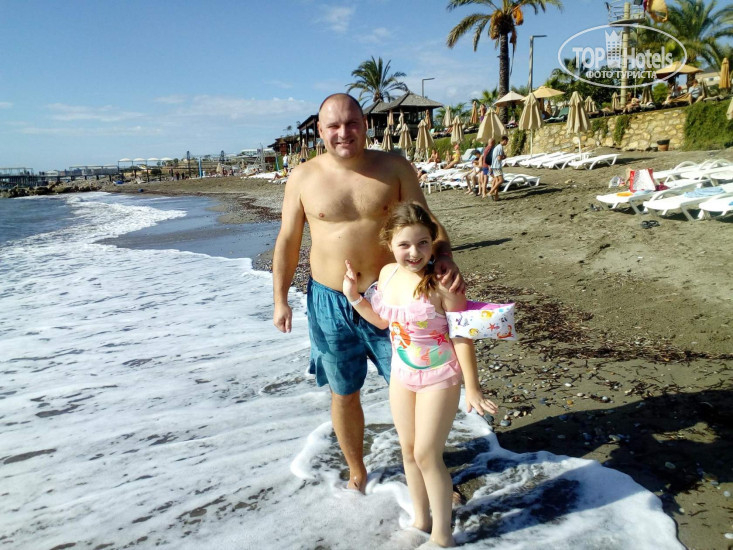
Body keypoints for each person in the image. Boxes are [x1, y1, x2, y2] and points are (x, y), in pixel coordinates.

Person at [272, 93, 464, 493]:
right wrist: (280, 299)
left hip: (393, 297)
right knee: (344, 392)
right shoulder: (303, 177)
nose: (344, 132)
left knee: (418, 386)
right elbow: (288, 240)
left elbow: (427, 222)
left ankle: (430, 472)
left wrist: (444, 256)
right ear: (320, 131)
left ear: (365, 124)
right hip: (330, 301)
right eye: (334, 126)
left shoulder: (393, 167)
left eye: (352, 123)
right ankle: (357, 470)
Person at [343, 202, 498, 548]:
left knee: (428, 454)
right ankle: (421, 519)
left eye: (423, 243)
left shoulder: (444, 283)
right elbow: (383, 321)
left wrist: (473, 387)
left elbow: (462, 335)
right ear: (389, 243)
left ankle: (443, 536)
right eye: (405, 245)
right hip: (402, 374)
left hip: (439, 377)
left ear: (433, 243)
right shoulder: (387, 275)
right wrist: (354, 297)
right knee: (409, 451)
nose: (414, 253)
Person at [488, 135, 508, 200]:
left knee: (497, 181)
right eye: (507, 141)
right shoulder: (500, 147)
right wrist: (504, 157)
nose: (507, 143)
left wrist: (503, 156)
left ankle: (496, 197)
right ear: (504, 140)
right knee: (501, 180)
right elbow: (499, 158)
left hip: (494, 166)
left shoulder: (497, 147)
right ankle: (490, 192)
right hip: (497, 166)